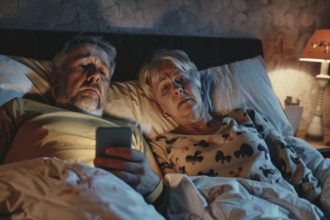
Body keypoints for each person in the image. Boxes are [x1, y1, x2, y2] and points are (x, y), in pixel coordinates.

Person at [138, 49, 323, 205]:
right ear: (161, 107)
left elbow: (291, 163)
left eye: (181, 79)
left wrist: (316, 204)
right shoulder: (162, 146)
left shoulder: (245, 117)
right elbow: (175, 201)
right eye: (165, 88)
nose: (177, 89)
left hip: (285, 204)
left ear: (198, 84)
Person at [0, 35, 163, 210]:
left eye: (103, 72)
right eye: (84, 65)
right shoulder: (22, 109)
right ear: (55, 77)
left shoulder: (129, 130)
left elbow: (165, 206)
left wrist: (151, 184)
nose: (95, 77)